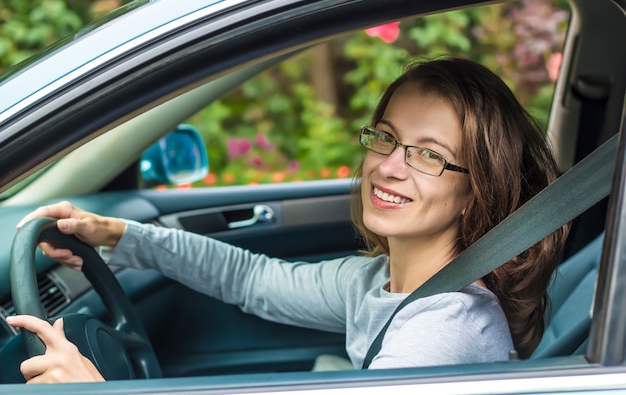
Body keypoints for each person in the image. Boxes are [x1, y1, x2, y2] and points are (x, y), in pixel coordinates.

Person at [6, 57, 569, 383]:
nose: (390, 168)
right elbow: (250, 279)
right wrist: (119, 235)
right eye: (388, 139)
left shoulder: (444, 332)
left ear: (475, 193)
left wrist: (97, 393)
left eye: (428, 154)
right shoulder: (382, 284)